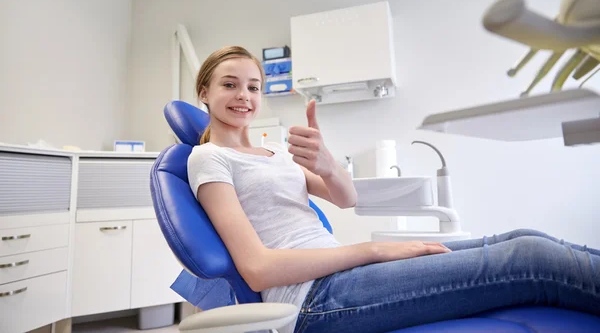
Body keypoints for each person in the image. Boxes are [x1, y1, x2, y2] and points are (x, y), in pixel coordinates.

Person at [186, 45, 600, 333]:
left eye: (253, 86)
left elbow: (346, 198)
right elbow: (257, 268)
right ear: (204, 92)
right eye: (229, 84)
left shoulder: (274, 151)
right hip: (317, 300)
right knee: (529, 258)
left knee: (522, 239)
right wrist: (373, 249)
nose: (244, 95)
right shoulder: (208, 159)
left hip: (344, 274)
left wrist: (328, 163)